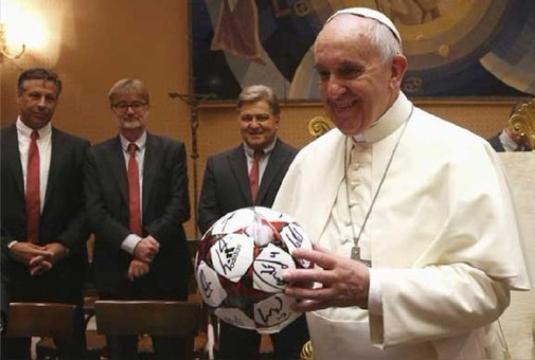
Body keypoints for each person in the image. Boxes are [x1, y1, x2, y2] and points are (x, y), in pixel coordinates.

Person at [273, 8, 531, 359]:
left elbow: (488, 291)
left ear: (395, 71)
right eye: (323, 73)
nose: (332, 90)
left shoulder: (461, 154)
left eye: (348, 71)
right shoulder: (309, 161)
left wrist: (373, 288)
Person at [84, 79, 191, 360]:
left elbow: (180, 206)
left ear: (148, 108)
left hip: (166, 268)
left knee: (172, 352)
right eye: (122, 105)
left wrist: (148, 246)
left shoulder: (172, 150)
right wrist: (133, 245)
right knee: (120, 352)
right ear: (112, 110)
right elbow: (95, 213)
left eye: (137, 104)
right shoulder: (95, 156)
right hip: (115, 273)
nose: (130, 111)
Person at [198, 84, 307, 359]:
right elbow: (206, 216)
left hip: (285, 284)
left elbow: (306, 214)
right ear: (239, 119)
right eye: (247, 118)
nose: (254, 125)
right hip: (234, 287)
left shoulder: (299, 162)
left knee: (291, 353)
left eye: (262, 117)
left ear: (277, 120)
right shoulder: (218, 164)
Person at [1, 68, 90, 359]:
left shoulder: (77, 149)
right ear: (19, 97)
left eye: (49, 98)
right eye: (34, 95)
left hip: (62, 270)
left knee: (71, 352)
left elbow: (87, 208)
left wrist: (61, 247)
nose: (42, 103)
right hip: (7, 270)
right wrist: (12, 246)